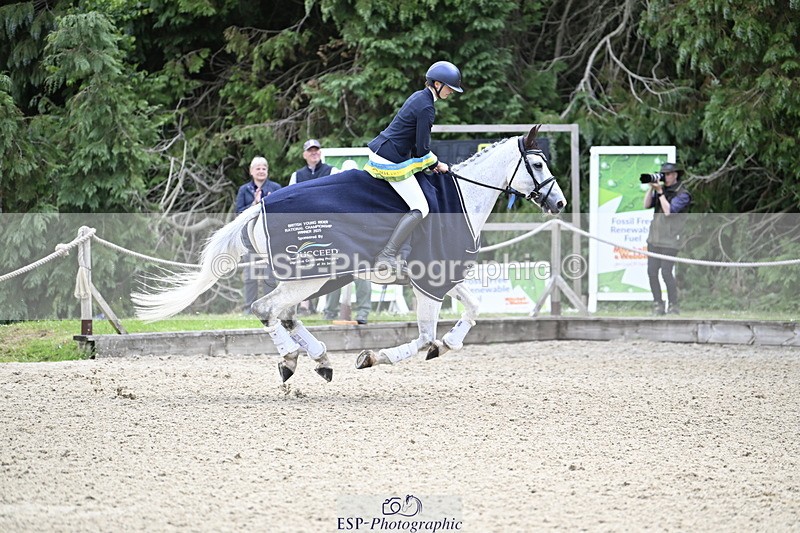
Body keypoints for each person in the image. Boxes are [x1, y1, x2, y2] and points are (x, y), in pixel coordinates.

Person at [364, 60, 463, 280]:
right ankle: (387, 256)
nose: (451, 92)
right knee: (421, 206)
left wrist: (430, 162)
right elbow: (422, 150)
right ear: (437, 84)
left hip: (387, 151)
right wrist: (438, 164)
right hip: (390, 159)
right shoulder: (427, 107)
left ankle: (403, 253)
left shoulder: (420, 96)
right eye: (449, 87)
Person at [288, 139, 339, 314]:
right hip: (306, 225)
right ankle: (304, 305)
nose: (314, 153)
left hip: (327, 224)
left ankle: (328, 308)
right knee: (305, 265)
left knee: (329, 264)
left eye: (316, 150)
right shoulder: (297, 175)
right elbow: (292, 199)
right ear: (304, 154)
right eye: (310, 151)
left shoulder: (331, 171)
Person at [320, 160, 372, 324]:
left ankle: (363, 312)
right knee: (335, 277)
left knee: (363, 278)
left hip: (359, 242)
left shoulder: (364, 195)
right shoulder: (334, 194)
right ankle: (330, 311)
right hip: (339, 241)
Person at [643, 162, 692, 315]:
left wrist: (661, 193)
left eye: (668, 174)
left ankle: (673, 305)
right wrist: (652, 188)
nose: (665, 177)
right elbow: (646, 205)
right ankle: (658, 303)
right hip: (654, 238)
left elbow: (669, 211)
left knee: (666, 272)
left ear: (675, 174)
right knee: (652, 272)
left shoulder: (682, 194)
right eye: (663, 174)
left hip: (670, 240)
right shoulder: (661, 189)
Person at [235, 156, 282, 313]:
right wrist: (254, 204)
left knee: (270, 274)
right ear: (251, 171)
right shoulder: (244, 190)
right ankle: (249, 308)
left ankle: (267, 307)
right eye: (258, 168)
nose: (261, 171)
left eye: (264, 168)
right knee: (251, 274)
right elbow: (238, 213)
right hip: (250, 238)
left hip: (270, 237)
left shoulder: (275, 188)